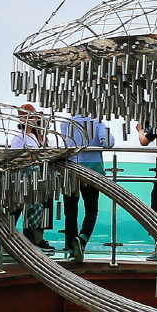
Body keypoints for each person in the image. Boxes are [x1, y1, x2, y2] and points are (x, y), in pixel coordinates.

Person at [61, 107, 111, 260]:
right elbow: (108, 143)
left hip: (70, 170)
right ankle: (82, 239)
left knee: (70, 212)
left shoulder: (65, 124)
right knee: (91, 210)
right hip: (92, 172)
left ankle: (71, 250)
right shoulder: (98, 123)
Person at [12, 103, 51, 247]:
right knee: (18, 209)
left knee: (32, 208)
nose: (34, 119)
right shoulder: (19, 137)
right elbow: (14, 158)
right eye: (32, 116)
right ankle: (10, 239)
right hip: (24, 177)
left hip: (33, 177)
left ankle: (28, 240)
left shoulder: (32, 137)